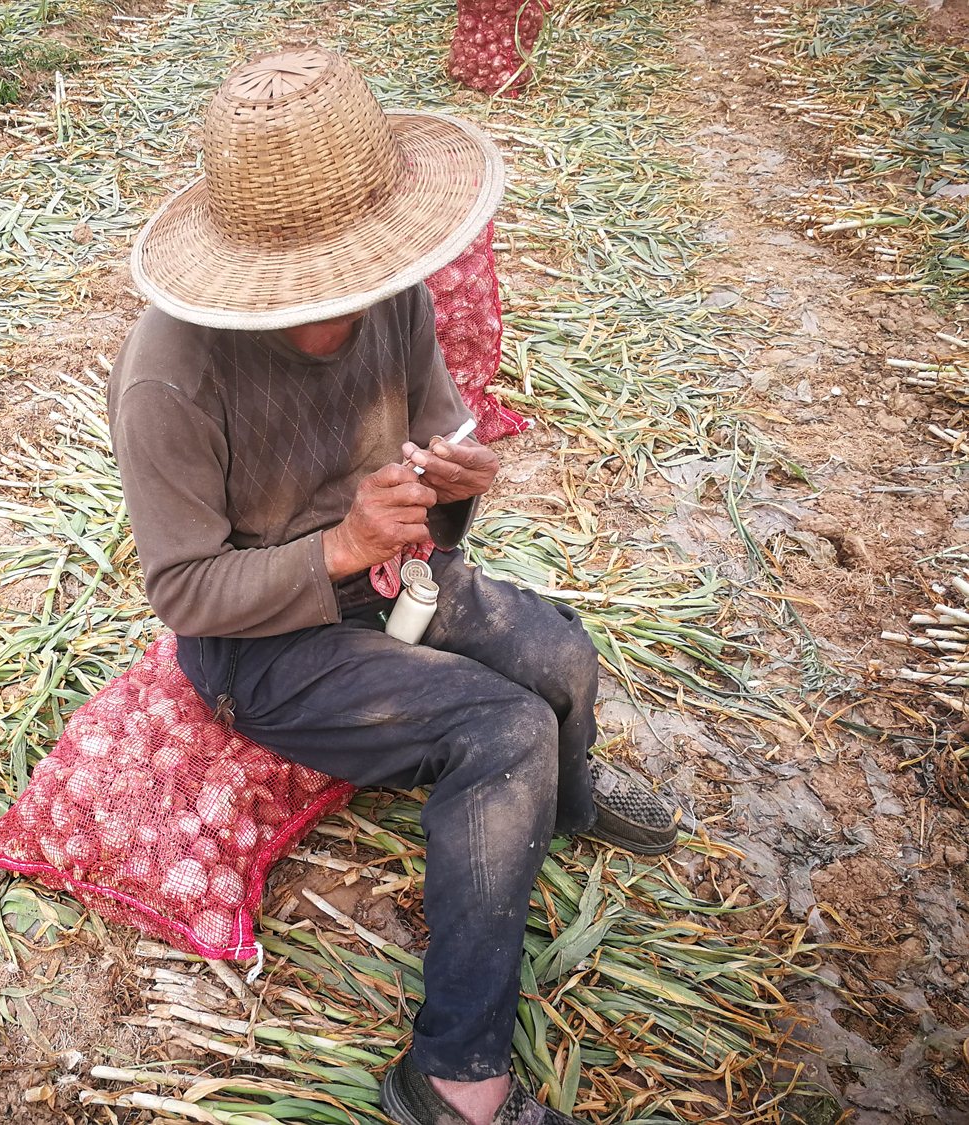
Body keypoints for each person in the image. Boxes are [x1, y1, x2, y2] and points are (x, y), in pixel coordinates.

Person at [106, 46, 679, 1125]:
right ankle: (452, 1077)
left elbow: (429, 451)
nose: (347, 313)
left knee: (558, 653)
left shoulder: (394, 299)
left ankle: (566, 803)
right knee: (502, 730)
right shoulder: (169, 375)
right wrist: (333, 550)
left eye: (362, 278)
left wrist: (455, 489)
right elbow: (184, 592)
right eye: (320, 292)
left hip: (389, 575)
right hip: (262, 645)